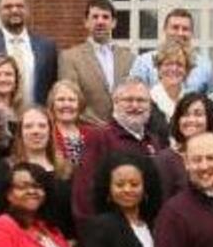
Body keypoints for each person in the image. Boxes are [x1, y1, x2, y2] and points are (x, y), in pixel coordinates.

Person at [72, 78, 183, 225]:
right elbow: (84, 189)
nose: (135, 106)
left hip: (149, 227)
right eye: (128, 100)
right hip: (113, 229)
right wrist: (91, 228)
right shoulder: (100, 138)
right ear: (115, 102)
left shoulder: (154, 141)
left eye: (141, 100)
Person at [0, 107, 74, 240]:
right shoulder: (7, 167)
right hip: (20, 243)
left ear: (50, 130)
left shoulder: (66, 168)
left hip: (61, 244)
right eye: (28, 126)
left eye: (42, 126)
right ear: (20, 133)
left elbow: (72, 215)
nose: (35, 131)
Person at [59, 0, 137, 126]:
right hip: (87, 129)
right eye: (95, 17)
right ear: (86, 22)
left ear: (113, 23)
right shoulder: (70, 58)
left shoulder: (129, 58)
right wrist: (99, 127)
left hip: (123, 129)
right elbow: (71, 98)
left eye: (105, 17)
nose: (100, 21)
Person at [130, 7, 213, 93]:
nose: (180, 33)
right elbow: (133, 94)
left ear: (191, 33)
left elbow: (210, 98)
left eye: (185, 29)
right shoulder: (144, 62)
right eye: (175, 28)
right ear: (165, 29)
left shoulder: (204, 66)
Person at [47, 79, 95, 170]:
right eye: (61, 100)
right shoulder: (47, 134)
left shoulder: (93, 134)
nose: (66, 104)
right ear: (52, 104)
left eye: (72, 100)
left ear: (79, 104)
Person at [151, 40, 193, 124]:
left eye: (179, 64)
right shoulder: (150, 99)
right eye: (168, 64)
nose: (174, 69)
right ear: (159, 68)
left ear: (187, 70)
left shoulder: (192, 99)